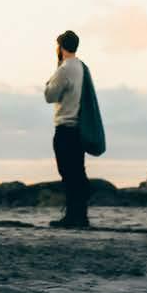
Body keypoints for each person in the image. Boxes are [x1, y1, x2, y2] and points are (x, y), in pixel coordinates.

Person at [44, 28, 100, 228]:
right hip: (79, 128)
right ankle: (80, 215)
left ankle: (71, 216)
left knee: (67, 173)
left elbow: (49, 96)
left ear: (61, 47)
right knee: (78, 171)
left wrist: (51, 79)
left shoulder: (65, 68)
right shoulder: (82, 67)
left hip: (65, 127)